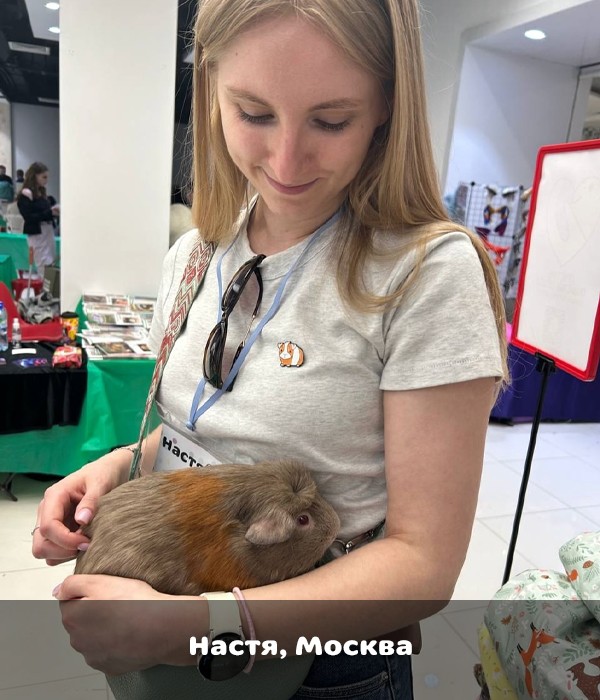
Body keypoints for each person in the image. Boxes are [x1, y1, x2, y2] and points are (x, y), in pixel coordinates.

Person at [32, 0, 508, 697]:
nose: (286, 160)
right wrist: (117, 467)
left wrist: (204, 628)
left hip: (323, 667)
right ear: (211, 87)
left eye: (331, 120)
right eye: (253, 113)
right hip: (176, 613)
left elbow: (424, 564)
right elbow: (212, 433)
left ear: (386, 104)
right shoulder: (195, 254)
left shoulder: (425, 275)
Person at [16, 162, 59, 277]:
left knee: (51, 263)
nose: (46, 180)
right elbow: (29, 217)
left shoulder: (42, 192)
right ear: (35, 175)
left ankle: (49, 286)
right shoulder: (26, 194)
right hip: (37, 234)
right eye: (44, 177)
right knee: (43, 265)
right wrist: (49, 213)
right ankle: (45, 286)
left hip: (48, 231)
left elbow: (45, 213)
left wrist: (54, 212)